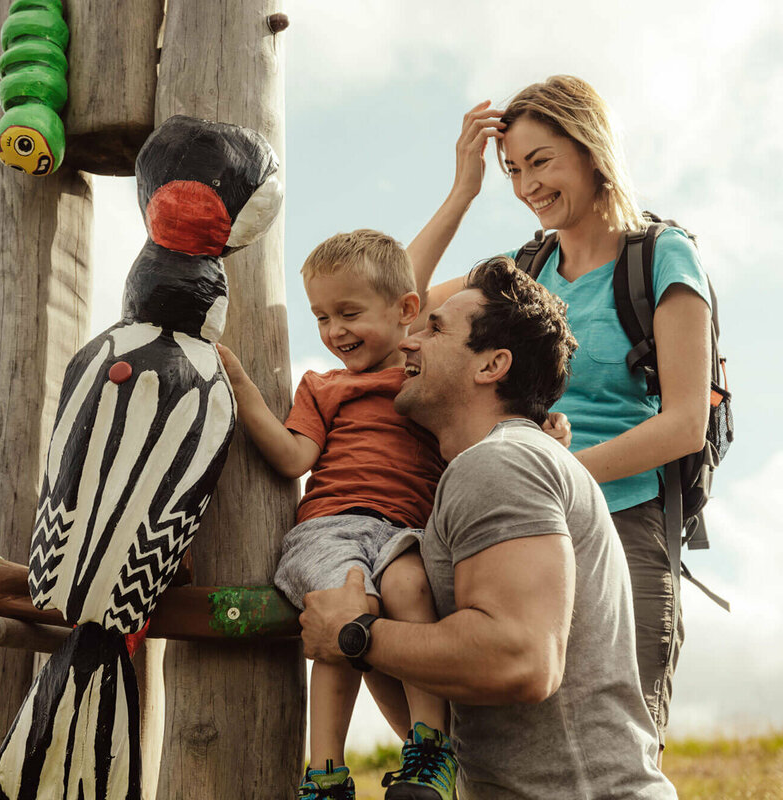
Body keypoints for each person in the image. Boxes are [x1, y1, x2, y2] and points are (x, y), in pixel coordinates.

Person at [405, 75, 712, 753]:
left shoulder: (662, 256)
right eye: (512, 169)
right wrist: (464, 191)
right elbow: (396, 306)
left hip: (624, 522)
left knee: (618, 745)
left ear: (592, 150)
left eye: (539, 162)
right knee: (508, 740)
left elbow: (685, 422)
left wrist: (556, 476)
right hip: (514, 524)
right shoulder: (524, 270)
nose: (526, 186)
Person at [299, 258, 677, 799]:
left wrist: (354, 636)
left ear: (490, 366)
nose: (410, 342)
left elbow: (521, 659)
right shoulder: (492, 467)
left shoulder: (499, 463)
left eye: (435, 329)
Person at [218, 229, 458, 800]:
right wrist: (245, 390)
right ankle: (325, 772)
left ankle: (429, 753)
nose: (335, 332)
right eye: (322, 318)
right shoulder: (323, 387)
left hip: (407, 529)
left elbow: (463, 440)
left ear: (405, 310)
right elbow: (294, 457)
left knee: (410, 585)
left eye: (349, 313)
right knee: (344, 616)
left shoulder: (427, 377)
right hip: (330, 527)